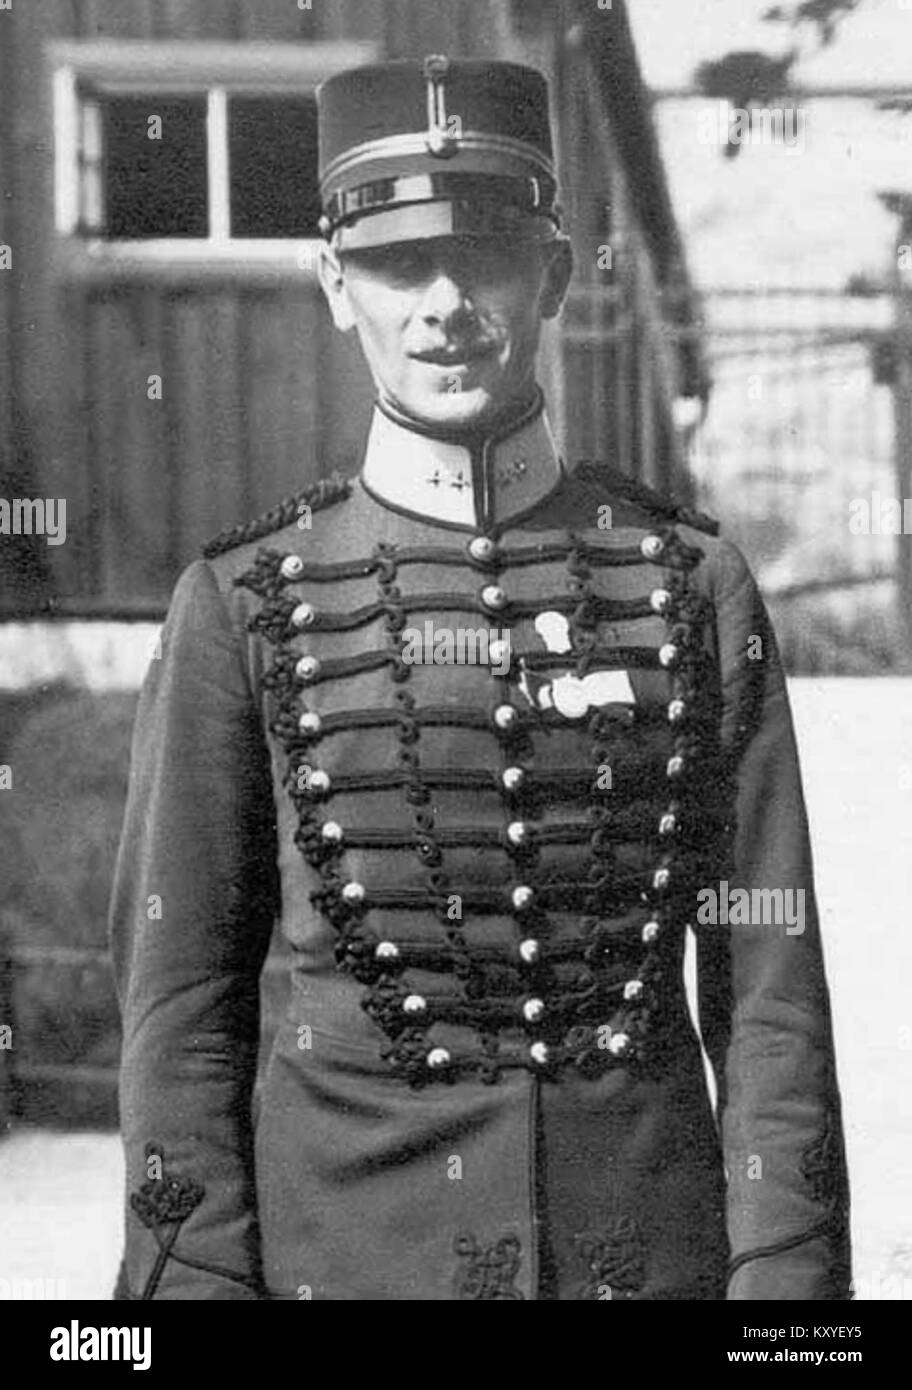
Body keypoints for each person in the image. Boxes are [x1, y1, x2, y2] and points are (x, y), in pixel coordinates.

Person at [110, 55, 851, 1301]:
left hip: (643, 1262)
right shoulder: (241, 604)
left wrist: (786, 1285)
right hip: (341, 1265)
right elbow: (181, 1003)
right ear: (338, 285)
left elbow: (768, 990)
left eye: (488, 258)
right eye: (398, 265)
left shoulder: (691, 584)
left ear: (555, 274)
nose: (443, 304)